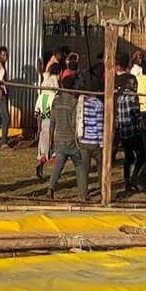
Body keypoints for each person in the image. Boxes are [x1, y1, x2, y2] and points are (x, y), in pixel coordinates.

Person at [46, 71, 89, 201]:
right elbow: (74, 123)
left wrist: (50, 141)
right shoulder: (73, 102)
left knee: (58, 165)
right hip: (71, 140)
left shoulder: (55, 101)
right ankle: (83, 194)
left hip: (58, 138)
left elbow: (52, 122)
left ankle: (50, 188)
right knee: (79, 165)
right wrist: (78, 140)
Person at [113, 73, 145, 193]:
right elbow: (136, 114)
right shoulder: (132, 97)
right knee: (141, 156)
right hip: (132, 131)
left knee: (128, 157)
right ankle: (134, 178)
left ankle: (127, 182)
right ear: (128, 85)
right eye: (133, 84)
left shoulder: (120, 97)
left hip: (123, 132)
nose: (136, 86)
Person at [35, 56, 61, 178]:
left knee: (44, 148)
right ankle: (55, 175)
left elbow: (38, 113)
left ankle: (41, 165)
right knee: (55, 149)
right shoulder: (54, 96)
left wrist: (39, 128)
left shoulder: (41, 96)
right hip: (52, 123)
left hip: (44, 122)